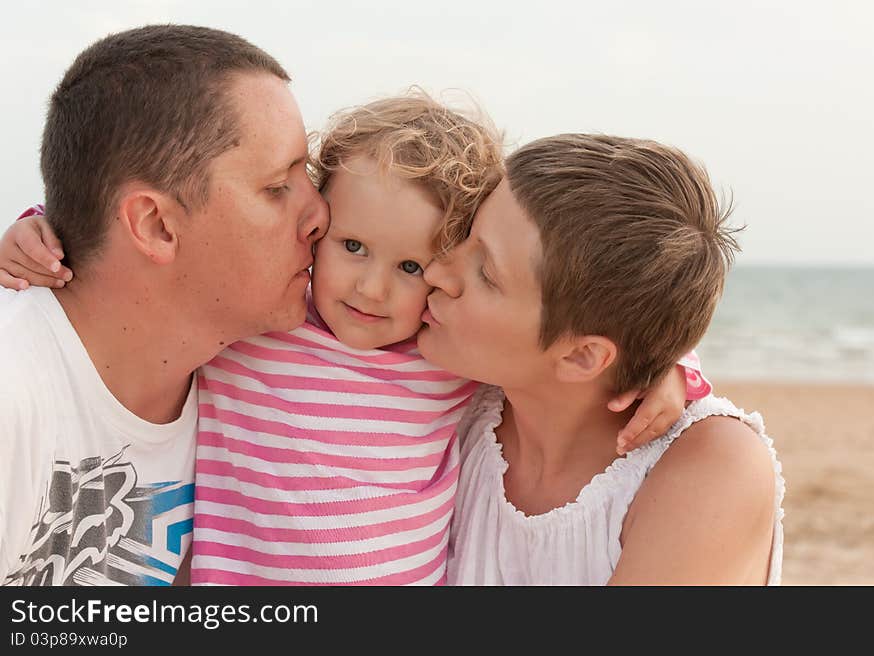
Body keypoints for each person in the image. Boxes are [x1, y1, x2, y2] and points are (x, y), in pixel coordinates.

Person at [1, 94, 711, 584]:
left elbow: (582, 329)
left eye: (409, 266)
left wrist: (672, 368)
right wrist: (44, 230)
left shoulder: (445, 361)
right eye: (351, 246)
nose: (372, 289)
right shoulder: (261, 326)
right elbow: (157, 250)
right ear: (315, 223)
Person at [0, 25, 328, 586]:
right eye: (278, 187)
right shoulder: (15, 393)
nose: (320, 214)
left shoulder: (257, 381)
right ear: (156, 225)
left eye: (310, 175)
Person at [417, 134, 785, 585]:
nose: (435, 272)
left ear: (582, 356)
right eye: (465, 236)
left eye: (486, 274)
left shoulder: (712, 467)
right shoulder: (452, 401)